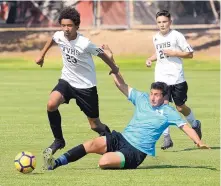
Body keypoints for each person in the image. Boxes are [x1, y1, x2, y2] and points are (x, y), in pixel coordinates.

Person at [42, 47, 209, 170]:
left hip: (136, 152)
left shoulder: (169, 112)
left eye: (157, 95)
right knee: (91, 144)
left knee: (104, 162)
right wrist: (112, 62)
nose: (152, 97)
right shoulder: (142, 99)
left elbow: (185, 127)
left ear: (164, 96)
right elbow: (121, 85)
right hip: (121, 138)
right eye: (152, 93)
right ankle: (55, 163)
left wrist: (199, 142)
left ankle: (114, 156)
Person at [35, 7, 119, 156]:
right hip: (67, 80)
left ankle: (111, 140)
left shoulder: (85, 43)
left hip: (86, 86)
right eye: (63, 25)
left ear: (77, 26)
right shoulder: (59, 35)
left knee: (95, 125)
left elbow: (101, 54)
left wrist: (114, 67)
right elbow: (52, 39)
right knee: (51, 104)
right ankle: (59, 140)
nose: (66, 29)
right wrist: (42, 56)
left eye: (69, 26)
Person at [146, 10, 202, 150]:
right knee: (162, 106)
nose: (162, 25)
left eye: (164, 22)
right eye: (159, 22)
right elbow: (159, 53)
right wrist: (150, 59)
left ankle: (195, 124)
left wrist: (175, 53)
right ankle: (167, 138)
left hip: (176, 78)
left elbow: (190, 54)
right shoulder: (155, 37)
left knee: (179, 107)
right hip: (161, 77)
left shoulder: (177, 36)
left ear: (170, 22)